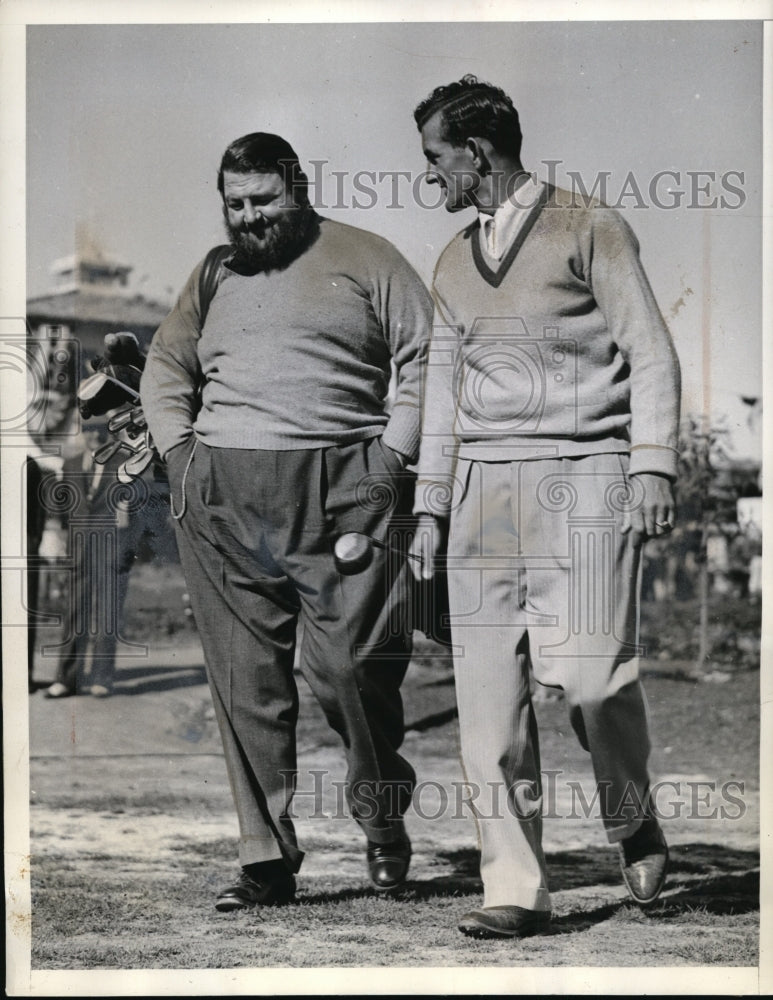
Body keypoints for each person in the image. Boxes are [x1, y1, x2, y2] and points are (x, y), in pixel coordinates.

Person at [409, 76, 681, 939]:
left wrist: (652, 465)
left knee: (594, 676)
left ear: (476, 153)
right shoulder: (450, 258)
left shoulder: (588, 225)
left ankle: (630, 813)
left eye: (434, 158)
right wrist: (427, 506)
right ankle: (514, 888)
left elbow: (650, 348)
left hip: (587, 473)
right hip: (480, 487)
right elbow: (443, 388)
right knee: (488, 698)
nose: (430, 176)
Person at [139, 132, 432, 911]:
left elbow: (428, 357)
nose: (248, 217)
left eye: (262, 200)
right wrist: (179, 455)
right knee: (245, 684)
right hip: (223, 493)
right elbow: (168, 364)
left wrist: (391, 460)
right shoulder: (214, 272)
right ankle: (265, 857)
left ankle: (381, 817)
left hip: (345, 487)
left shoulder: (368, 256)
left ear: (298, 185)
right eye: (234, 204)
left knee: (349, 671)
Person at [44, 421, 138, 698]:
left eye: (100, 429)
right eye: (88, 429)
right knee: (74, 613)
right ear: (81, 432)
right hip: (80, 552)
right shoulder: (70, 465)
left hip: (112, 551)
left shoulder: (125, 463)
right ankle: (67, 679)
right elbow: (61, 511)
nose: (94, 435)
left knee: (108, 614)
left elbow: (136, 515)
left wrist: (126, 551)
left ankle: (102, 679)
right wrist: (59, 542)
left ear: (109, 432)